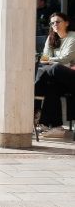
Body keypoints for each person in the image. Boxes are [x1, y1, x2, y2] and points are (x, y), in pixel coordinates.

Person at [36, 11, 75, 139]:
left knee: (55, 68)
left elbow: (66, 58)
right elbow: (43, 57)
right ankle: (53, 126)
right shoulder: (51, 38)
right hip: (58, 78)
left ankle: (34, 89)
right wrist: (50, 60)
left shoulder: (72, 37)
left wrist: (51, 60)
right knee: (51, 87)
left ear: (67, 23)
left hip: (71, 76)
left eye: (58, 22)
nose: (55, 25)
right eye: (52, 23)